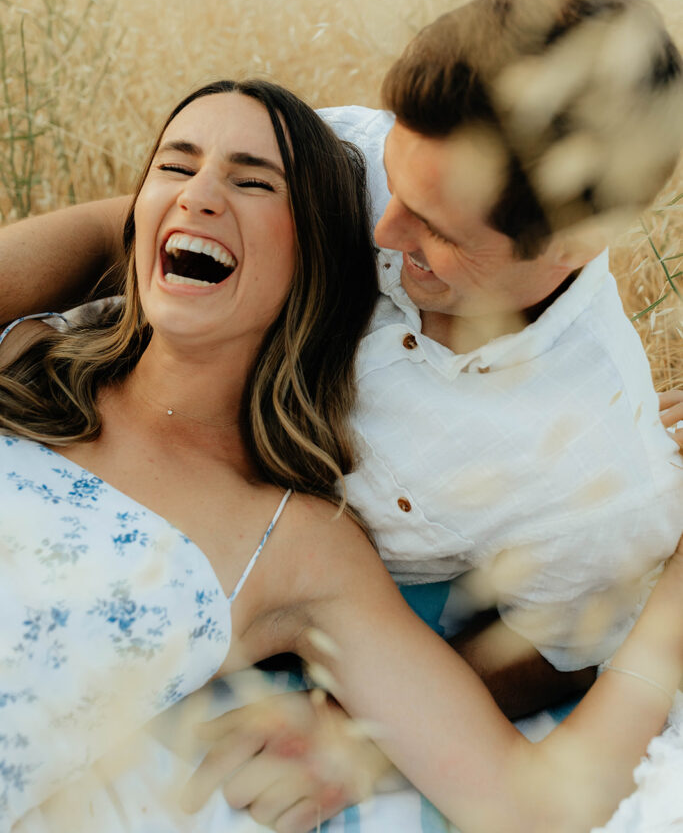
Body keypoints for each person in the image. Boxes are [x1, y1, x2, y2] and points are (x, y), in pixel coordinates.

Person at [2, 78, 683, 833]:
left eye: (253, 180)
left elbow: (536, 801)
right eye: (174, 165)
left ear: (319, 249)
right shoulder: (23, 354)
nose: (197, 195)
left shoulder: (296, 546)